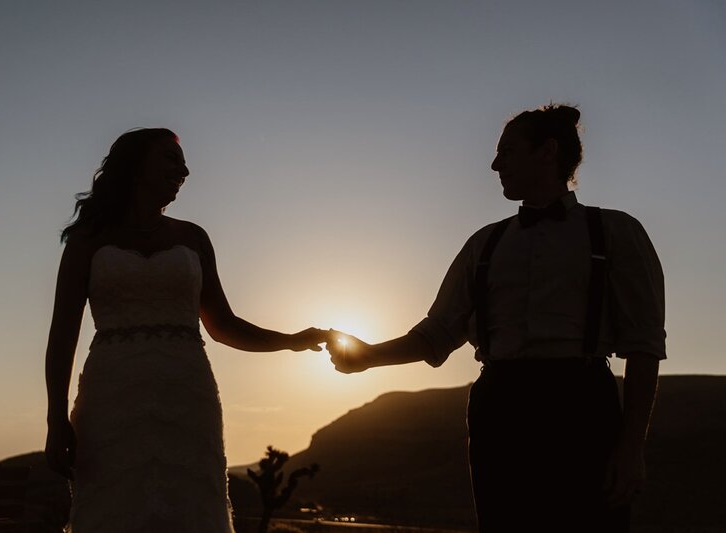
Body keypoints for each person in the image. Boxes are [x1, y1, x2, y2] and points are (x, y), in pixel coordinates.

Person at [326, 104, 665, 533]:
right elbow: (437, 333)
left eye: (507, 151)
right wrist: (367, 356)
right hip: (499, 407)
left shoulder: (617, 232)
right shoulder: (484, 243)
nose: (494, 165)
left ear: (548, 152)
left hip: (581, 406)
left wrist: (632, 447)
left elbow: (643, 346)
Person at [44, 128, 326, 533]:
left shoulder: (193, 238)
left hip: (188, 398)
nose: (185, 171)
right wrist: (56, 418)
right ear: (136, 165)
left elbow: (223, 326)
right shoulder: (87, 240)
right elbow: (62, 335)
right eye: (171, 159)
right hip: (111, 398)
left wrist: (291, 341)